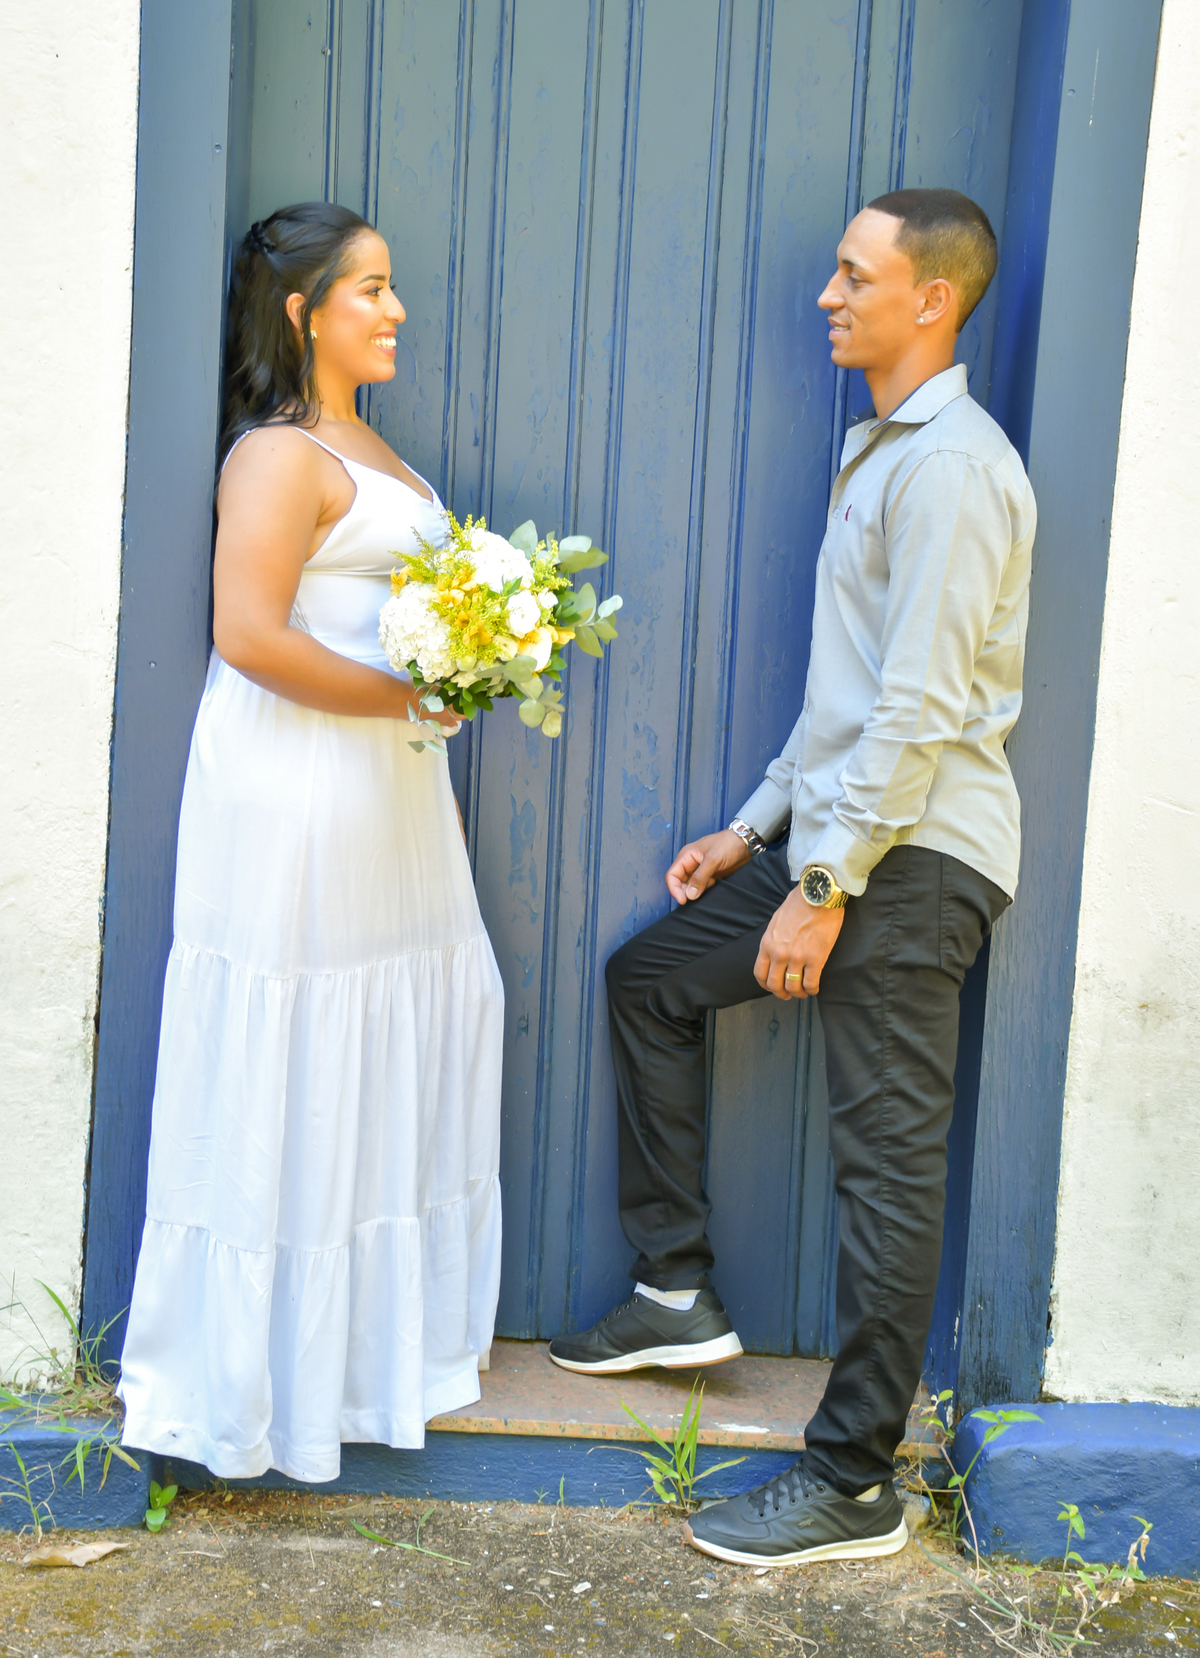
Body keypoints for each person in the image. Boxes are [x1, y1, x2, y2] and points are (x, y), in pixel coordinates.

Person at [548, 188, 1034, 1566]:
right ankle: (674, 1287)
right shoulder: (885, 453)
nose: (828, 294)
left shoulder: (952, 468)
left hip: (910, 858)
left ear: (930, 298)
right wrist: (758, 832)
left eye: (853, 274)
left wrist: (823, 890)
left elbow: (921, 708)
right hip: (842, 843)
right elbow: (850, 695)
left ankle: (855, 1480)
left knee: (885, 1171)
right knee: (651, 978)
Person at [119, 203, 504, 1482]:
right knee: (299, 1053)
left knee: (399, 1039)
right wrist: (410, 699)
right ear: (303, 312)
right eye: (372, 289)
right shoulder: (278, 455)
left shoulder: (372, 447)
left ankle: (369, 1360)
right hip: (300, 788)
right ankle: (249, 1384)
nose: (397, 310)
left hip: (391, 794)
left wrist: (447, 699)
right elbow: (250, 633)